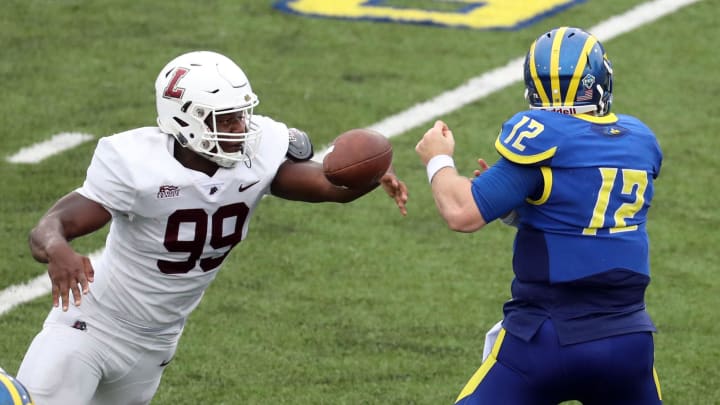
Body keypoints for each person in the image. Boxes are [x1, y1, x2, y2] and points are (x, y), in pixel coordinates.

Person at [17, 50, 408, 405]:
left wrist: (370, 175)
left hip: (156, 343)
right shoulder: (137, 163)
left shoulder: (256, 155)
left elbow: (329, 186)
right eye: (227, 118)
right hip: (91, 328)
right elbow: (52, 226)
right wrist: (58, 250)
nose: (241, 127)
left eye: (242, 114)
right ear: (185, 118)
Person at [415, 27, 663, 404]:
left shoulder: (540, 136)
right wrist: (519, 205)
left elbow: (461, 212)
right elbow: (579, 204)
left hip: (545, 340)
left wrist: (438, 159)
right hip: (628, 343)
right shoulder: (639, 140)